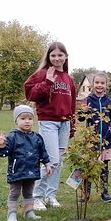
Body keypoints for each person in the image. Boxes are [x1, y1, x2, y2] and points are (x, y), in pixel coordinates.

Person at [24, 42, 77, 211]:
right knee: (50, 160)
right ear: (48, 57)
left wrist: (72, 124)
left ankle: (51, 195)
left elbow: (72, 103)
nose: (57, 58)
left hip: (64, 123)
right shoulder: (42, 74)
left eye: (60, 55)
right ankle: (36, 197)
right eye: (53, 55)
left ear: (66, 57)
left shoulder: (68, 79)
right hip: (48, 122)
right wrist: (46, 82)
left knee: (59, 161)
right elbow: (30, 93)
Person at [0, 105, 53, 221]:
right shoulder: (12, 137)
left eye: (30, 118)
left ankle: (29, 211)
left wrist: (47, 163)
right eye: (22, 118)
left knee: (28, 192)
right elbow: (4, 153)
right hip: (17, 171)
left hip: (32, 170)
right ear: (16, 120)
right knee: (15, 192)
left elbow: (43, 152)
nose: (27, 121)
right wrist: (1, 146)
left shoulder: (37, 137)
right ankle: (11, 213)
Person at [77, 72, 111, 203]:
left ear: (106, 85)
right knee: (88, 167)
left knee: (104, 168)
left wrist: (109, 133)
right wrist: (83, 110)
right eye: (97, 82)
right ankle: (86, 194)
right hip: (91, 141)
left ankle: (105, 192)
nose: (99, 85)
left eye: (102, 83)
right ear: (93, 84)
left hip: (105, 141)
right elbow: (82, 118)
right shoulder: (88, 99)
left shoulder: (110, 101)